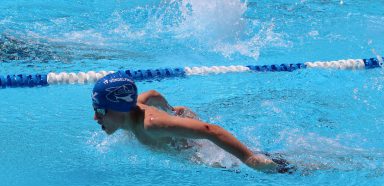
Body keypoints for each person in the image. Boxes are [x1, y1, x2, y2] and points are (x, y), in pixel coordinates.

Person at [91, 71, 286, 173]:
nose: (95, 117)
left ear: (119, 108)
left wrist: (250, 159)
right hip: (189, 144)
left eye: (100, 110)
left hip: (208, 154)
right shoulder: (135, 106)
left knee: (281, 169)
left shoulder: (152, 125)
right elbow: (152, 94)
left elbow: (210, 130)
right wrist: (172, 110)